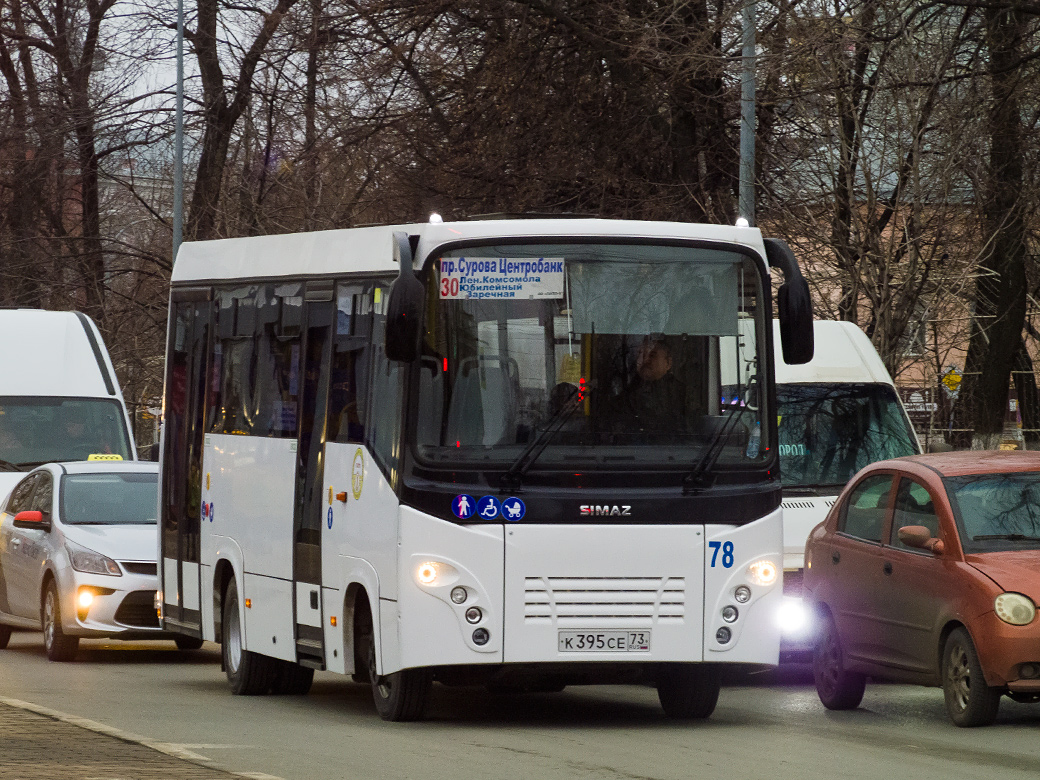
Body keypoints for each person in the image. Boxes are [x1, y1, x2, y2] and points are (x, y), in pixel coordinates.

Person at [612, 334, 686, 431]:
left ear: (668, 363)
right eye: (641, 354)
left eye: (652, 355)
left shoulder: (682, 395)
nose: (645, 360)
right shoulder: (625, 395)